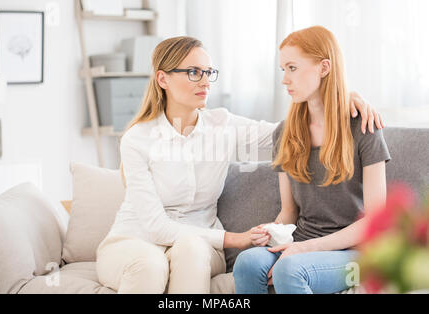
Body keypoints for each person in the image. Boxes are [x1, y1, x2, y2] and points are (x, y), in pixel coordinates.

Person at [95, 36, 383, 294]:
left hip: (198, 245)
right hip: (137, 240)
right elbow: (156, 227)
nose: (205, 81)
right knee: (150, 266)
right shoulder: (137, 139)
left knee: (192, 248)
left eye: (208, 72)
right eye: (194, 72)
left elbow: (296, 132)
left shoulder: (223, 126)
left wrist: (342, 97)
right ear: (162, 79)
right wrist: (234, 239)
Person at [233, 25, 391, 294]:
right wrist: (270, 231)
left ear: (324, 67)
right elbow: (289, 212)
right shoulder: (285, 133)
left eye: (292, 68)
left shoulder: (363, 128)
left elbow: (376, 221)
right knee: (246, 263)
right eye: (282, 69)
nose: (284, 79)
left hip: (356, 253)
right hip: (303, 241)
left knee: (290, 269)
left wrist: (304, 249)